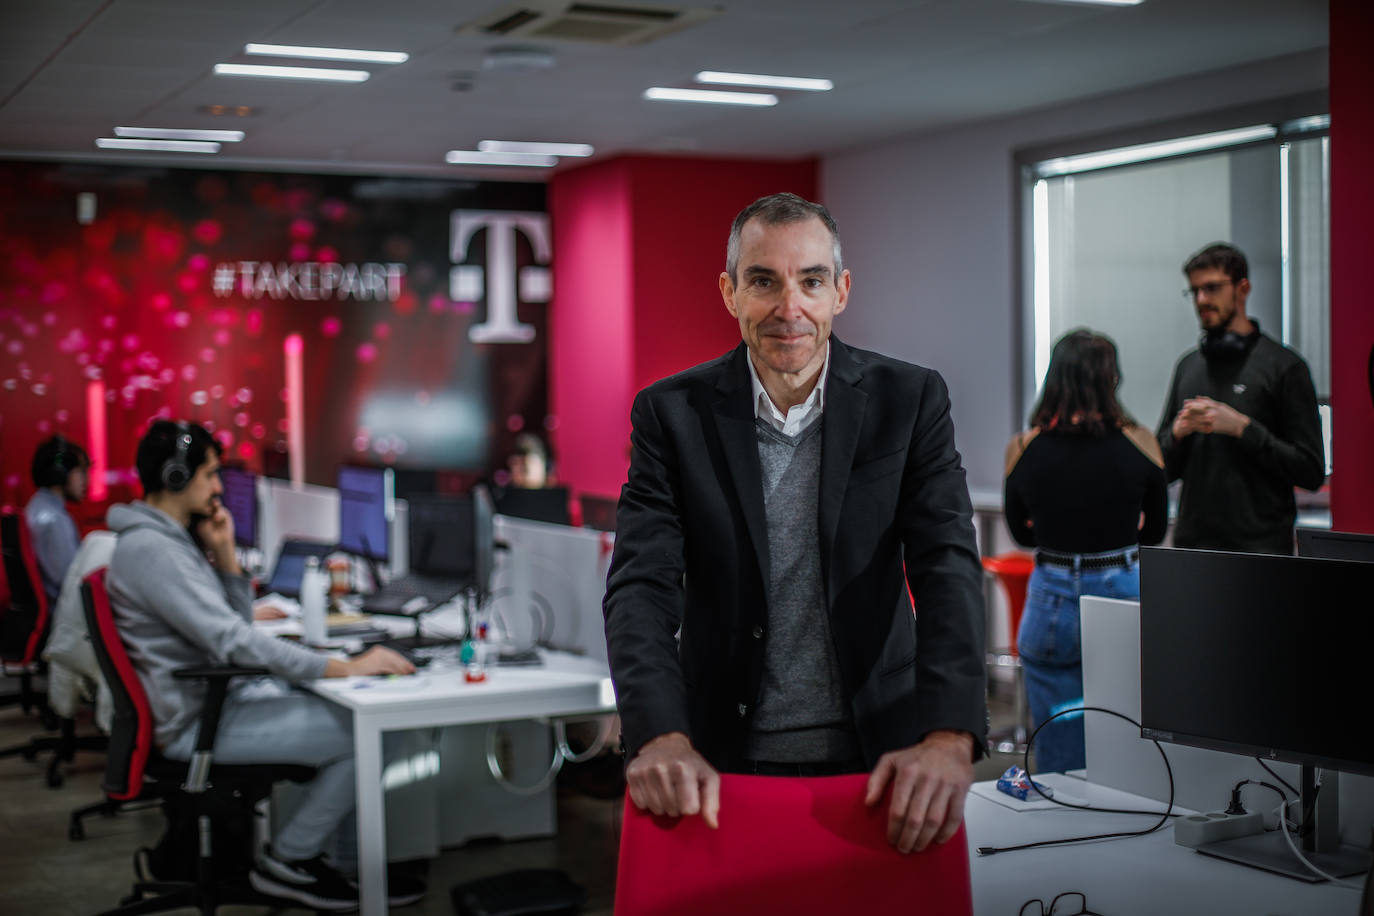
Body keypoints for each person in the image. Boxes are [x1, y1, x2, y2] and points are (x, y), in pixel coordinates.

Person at [603, 192, 986, 856]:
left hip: (884, 757)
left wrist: (950, 735)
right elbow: (641, 588)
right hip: (718, 761)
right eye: (763, 281)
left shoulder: (911, 399)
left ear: (840, 290)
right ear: (729, 292)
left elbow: (947, 565)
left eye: (810, 281)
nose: (790, 308)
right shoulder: (671, 415)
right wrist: (658, 731)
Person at [105, 420, 421, 911]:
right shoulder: (152, 551)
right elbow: (234, 641)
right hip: (198, 726)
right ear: (174, 478)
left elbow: (232, 627)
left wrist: (227, 556)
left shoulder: (166, 542)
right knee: (376, 731)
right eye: (210, 475)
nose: (217, 487)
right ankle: (291, 860)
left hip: (218, 704)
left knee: (355, 716)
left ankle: (335, 863)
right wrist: (343, 667)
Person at [1003, 330, 1167, 773]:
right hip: (1122, 585)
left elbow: (1021, 534)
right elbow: (1153, 533)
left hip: (1052, 592)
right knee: (1130, 724)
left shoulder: (1023, 447)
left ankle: (1062, 822)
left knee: (1059, 738)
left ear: (1055, 377)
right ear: (1110, 377)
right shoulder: (1142, 442)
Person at [1157, 243, 1324, 554]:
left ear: (1242, 288)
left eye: (1212, 288)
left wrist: (1243, 429)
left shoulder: (1284, 368)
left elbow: (1311, 472)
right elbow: (1160, 470)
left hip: (1261, 553)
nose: (1202, 300)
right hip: (1193, 549)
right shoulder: (1189, 366)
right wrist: (1178, 434)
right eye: (1194, 291)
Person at [24, 435, 90, 604]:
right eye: (81, 471)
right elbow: (71, 583)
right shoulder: (53, 520)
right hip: (63, 615)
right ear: (61, 473)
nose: (86, 480)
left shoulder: (37, 507)